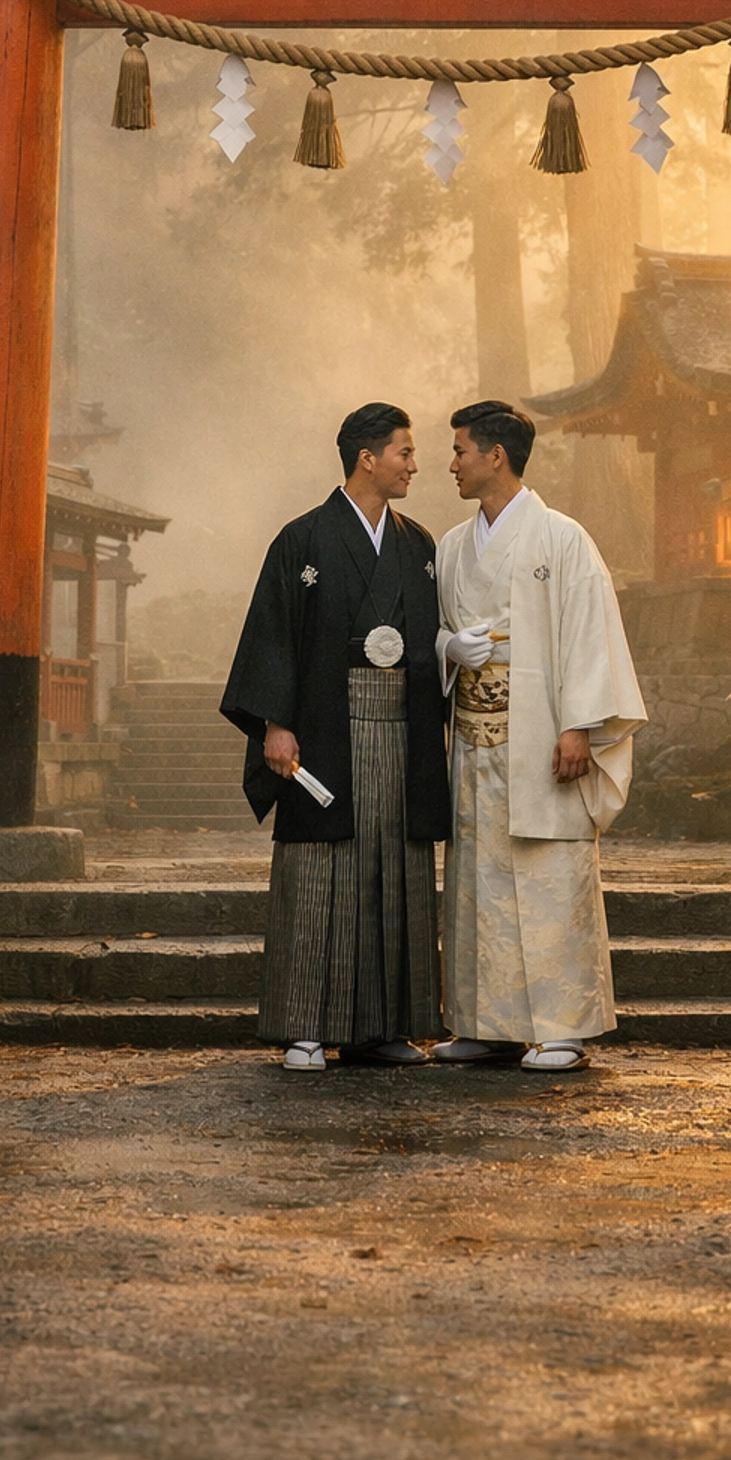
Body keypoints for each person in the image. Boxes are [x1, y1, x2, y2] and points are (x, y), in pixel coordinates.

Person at [221, 402, 450, 1071]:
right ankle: (305, 1026)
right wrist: (278, 723)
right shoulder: (304, 539)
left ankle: (386, 1027)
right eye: (405, 453)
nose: (415, 465)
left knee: (394, 870)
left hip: (402, 725)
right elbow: (274, 633)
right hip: (324, 723)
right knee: (322, 871)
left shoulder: (418, 544)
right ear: (367, 458)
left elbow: (429, 637)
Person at [434, 399, 646, 1072]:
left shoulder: (563, 538)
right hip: (474, 738)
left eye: (461, 450)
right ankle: (485, 1023)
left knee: (550, 877)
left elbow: (589, 636)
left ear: (496, 455)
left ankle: (563, 1028)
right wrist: (447, 648)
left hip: (543, 736)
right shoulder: (449, 546)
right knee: (480, 885)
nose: (452, 464)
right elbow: (431, 637)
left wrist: (580, 726)